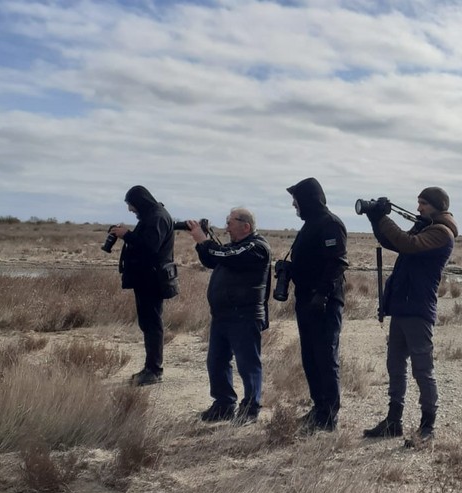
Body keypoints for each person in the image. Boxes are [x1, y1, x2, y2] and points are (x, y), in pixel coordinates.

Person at [362, 187, 458, 446]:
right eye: (418, 203)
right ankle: (394, 421)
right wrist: (375, 218)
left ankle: (428, 426)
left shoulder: (441, 233)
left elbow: (407, 244)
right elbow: (392, 241)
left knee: (422, 370)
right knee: (395, 366)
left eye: (423, 204)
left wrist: (383, 217)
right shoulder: (426, 227)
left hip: (418, 309)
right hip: (403, 307)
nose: (418, 209)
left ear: (438, 206)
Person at [186, 208, 271, 424]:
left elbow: (226, 256)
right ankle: (223, 404)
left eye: (230, 222)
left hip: (244, 315)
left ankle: (251, 408)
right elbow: (212, 259)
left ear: (246, 226)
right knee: (216, 362)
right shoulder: (233, 248)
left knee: (248, 364)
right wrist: (201, 243)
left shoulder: (256, 247)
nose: (226, 227)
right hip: (222, 315)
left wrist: (204, 240)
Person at [285, 177, 348, 432]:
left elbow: (337, 263)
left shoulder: (330, 224)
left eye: (296, 200)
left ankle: (329, 416)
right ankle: (318, 407)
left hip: (324, 302)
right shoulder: (310, 224)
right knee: (310, 357)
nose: (293, 205)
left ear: (308, 199)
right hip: (306, 300)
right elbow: (312, 260)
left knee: (325, 356)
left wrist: (321, 295)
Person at [111, 185, 178, 386]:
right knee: (149, 323)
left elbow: (150, 247)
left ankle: (154, 370)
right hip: (148, 278)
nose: (130, 210)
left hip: (152, 280)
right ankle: (151, 368)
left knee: (152, 324)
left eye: (131, 205)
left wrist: (126, 235)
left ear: (139, 202)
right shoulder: (153, 216)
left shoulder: (157, 217)